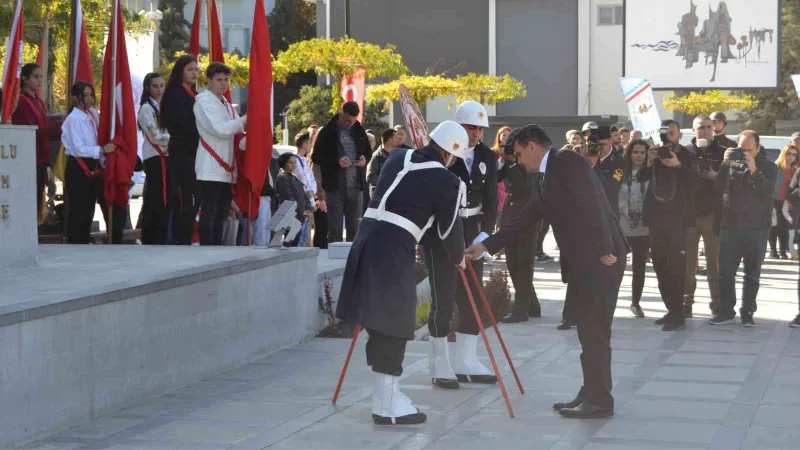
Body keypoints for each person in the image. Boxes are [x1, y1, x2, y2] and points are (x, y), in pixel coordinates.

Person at [466, 124, 628, 419]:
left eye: (517, 154)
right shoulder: (546, 175)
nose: (517, 160)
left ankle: (599, 400)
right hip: (584, 262)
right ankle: (592, 390)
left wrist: (606, 248)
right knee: (587, 330)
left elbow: (593, 200)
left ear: (531, 146)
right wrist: (486, 245)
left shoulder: (566, 161)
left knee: (595, 330)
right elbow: (526, 218)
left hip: (601, 258)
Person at [335, 121, 468, 425]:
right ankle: (388, 403)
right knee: (395, 320)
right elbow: (448, 230)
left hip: (365, 237)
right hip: (393, 247)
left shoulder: (397, 156)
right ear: (451, 154)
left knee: (378, 319)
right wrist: (458, 257)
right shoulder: (448, 180)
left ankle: (386, 395)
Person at [426, 100, 498, 390]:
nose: (477, 135)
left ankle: (466, 360)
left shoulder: (486, 156)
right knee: (444, 297)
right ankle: (439, 363)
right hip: (442, 231)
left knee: (474, 298)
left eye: (481, 129)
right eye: (471, 127)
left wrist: (486, 235)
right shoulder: (442, 153)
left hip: (471, 230)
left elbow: (492, 200)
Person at [710, 131, 777, 327]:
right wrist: (724, 164)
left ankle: (747, 311)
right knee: (725, 271)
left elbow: (768, 191)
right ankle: (726, 310)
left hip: (756, 227)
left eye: (749, 149)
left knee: (752, 272)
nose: (745, 153)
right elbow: (718, 186)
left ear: (757, 148)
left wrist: (754, 169)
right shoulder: (731, 162)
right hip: (731, 225)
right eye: (741, 149)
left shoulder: (769, 166)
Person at [639, 119, 694, 331]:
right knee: (660, 265)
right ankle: (671, 308)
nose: (668, 136)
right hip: (656, 217)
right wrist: (649, 161)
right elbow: (642, 177)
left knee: (676, 267)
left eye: (671, 133)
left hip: (678, 219)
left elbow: (695, 181)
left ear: (679, 135)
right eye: (665, 132)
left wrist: (678, 165)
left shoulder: (687, 154)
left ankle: (678, 314)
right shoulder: (655, 152)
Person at [193, 62, 247, 246]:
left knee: (222, 214)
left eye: (226, 80)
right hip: (210, 166)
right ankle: (208, 249)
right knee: (210, 212)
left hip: (226, 168)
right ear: (209, 81)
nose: (223, 84)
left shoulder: (225, 103)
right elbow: (219, 129)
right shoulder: (204, 101)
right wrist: (245, 120)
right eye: (218, 80)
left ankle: (217, 249)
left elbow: (233, 135)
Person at [62, 82, 117, 243]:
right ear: (75, 98)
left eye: (90, 95)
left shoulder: (92, 113)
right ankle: (75, 244)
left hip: (93, 164)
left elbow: (97, 137)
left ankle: (84, 240)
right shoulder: (73, 119)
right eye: (84, 96)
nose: (89, 99)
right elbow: (78, 148)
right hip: (78, 166)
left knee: (89, 209)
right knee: (78, 210)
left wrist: (103, 157)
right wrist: (101, 150)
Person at [498, 130, 542, 323]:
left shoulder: (533, 164)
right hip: (510, 219)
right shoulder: (511, 164)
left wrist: (511, 163)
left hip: (528, 220)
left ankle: (520, 310)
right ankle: (531, 303)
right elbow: (496, 177)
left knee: (524, 265)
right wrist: (503, 161)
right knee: (512, 264)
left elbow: (524, 186)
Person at [311, 101, 371, 243]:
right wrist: (336, 161)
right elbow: (316, 157)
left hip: (355, 187)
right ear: (341, 113)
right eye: (347, 120)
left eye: (353, 121)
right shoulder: (327, 131)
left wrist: (364, 159)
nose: (350, 123)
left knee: (355, 228)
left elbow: (368, 152)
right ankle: (334, 262)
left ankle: (352, 260)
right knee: (335, 229)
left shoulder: (358, 130)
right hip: (334, 187)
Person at [684, 115, 726, 317]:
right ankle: (686, 302)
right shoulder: (685, 152)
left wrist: (714, 176)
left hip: (713, 215)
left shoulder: (723, 152)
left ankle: (717, 303)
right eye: (701, 127)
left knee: (714, 264)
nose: (706, 131)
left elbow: (730, 183)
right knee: (687, 264)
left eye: (710, 127)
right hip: (689, 216)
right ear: (693, 130)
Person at [11, 63, 61, 216]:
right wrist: (60, 124)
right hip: (27, 158)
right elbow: (32, 131)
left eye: (41, 77)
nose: (40, 81)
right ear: (25, 79)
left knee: (37, 199)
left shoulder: (38, 101)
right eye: (35, 77)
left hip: (41, 158)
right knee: (28, 200)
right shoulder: (21, 101)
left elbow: (45, 129)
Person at [160, 55, 200, 244]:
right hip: (182, 154)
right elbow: (182, 122)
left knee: (194, 200)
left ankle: (186, 238)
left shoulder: (194, 94)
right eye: (190, 69)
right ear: (180, 71)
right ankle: (180, 240)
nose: (194, 73)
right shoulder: (175, 93)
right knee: (185, 200)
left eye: (196, 69)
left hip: (194, 154)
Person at [137, 73, 171, 245]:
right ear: (147, 89)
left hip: (166, 157)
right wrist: (174, 139)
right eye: (155, 86)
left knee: (164, 200)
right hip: (154, 158)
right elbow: (154, 135)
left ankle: (162, 236)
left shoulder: (163, 107)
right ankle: (150, 238)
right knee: (154, 199)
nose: (159, 90)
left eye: (161, 85)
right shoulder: (146, 109)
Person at [620, 139, 651, 318]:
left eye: (642, 152)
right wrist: (625, 210)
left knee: (639, 266)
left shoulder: (650, 173)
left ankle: (635, 302)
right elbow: (615, 193)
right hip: (623, 225)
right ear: (629, 154)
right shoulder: (621, 172)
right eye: (635, 152)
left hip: (643, 226)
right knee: (616, 265)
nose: (638, 156)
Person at [769, 144, 798, 259]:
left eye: (794, 155)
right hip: (773, 200)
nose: (791, 157)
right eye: (789, 153)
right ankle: (773, 251)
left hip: (787, 202)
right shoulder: (775, 167)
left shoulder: (795, 171)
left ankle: (782, 251)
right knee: (774, 226)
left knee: (785, 227)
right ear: (784, 153)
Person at [275, 153, 310, 247]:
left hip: (299, 216)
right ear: (284, 163)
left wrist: (308, 208)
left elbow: (303, 195)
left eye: (295, 162)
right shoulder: (282, 178)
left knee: (295, 242)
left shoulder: (294, 177)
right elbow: (288, 197)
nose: (293, 165)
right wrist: (301, 210)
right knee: (286, 242)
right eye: (290, 162)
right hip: (288, 214)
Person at [366, 128, 399, 196]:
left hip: (392, 195)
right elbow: (370, 178)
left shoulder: (396, 155)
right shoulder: (376, 156)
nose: (398, 139)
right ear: (390, 140)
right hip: (379, 195)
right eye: (396, 137)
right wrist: (387, 180)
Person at [491, 126, 512, 231]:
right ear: (499, 136)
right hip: (494, 188)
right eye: (503, 135)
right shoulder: (492, 153)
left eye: (508, 135)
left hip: (507, 189)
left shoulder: (513, 153)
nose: (506, 138)